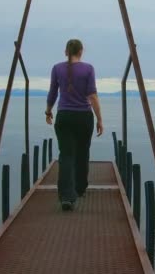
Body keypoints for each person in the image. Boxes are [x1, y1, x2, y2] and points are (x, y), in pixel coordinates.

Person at [45, 39, 103, 211]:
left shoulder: (57, 68)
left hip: (64, 117)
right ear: (81, 51)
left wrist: (48, 111)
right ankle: (80, 188)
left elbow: (52, 93)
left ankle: (67, 197)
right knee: (82, 153)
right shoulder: (88, 69)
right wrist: (99, 119)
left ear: (66, 52)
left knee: (66, 155)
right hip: (84, 117)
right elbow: (92, 96)